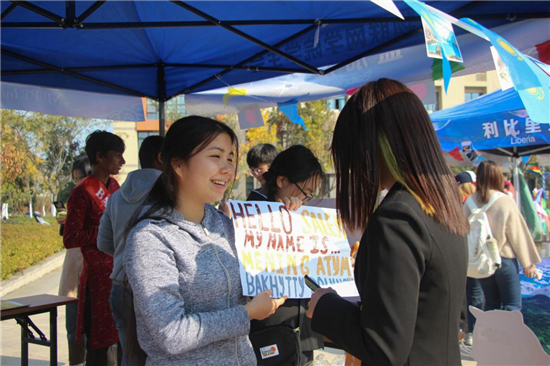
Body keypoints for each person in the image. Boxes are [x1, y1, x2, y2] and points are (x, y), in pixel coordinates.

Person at [306, 78, 469, 365]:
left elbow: (384, 347)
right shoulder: (442, 205)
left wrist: (325, 306)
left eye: (350, 150)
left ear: (374, 144)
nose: (353, 165)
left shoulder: (397, 217)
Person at [123, 116, 287, 366]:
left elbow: (262, 276)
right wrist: (248, 313)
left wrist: (292, 222)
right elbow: (171, 333)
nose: (228, 169)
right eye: (215, 156)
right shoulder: (150, 238)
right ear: (178, 164)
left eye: (231, 158)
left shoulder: (225, 226)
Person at [248, 144, 325, 365]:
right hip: (270, 329)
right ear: (281, 181)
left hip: (302, 329)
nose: (306, 201)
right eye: (305, 193)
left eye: (311, 196)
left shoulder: (303, 215)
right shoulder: (249, 217)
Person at [97, 135, 164, 365]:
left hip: (120, 284)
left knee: (129, 355)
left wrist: (125, 256)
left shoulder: (116, 197)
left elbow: (103, 243)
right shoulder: (172, 194)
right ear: (162, 158)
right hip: (157, 287)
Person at [63, 130, 125, 366]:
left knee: (123, 341)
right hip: (97, 280)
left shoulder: (115, 187)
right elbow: (70, 237)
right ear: (99, 157)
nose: (122, 161)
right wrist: (102, 232)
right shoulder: (82, 192)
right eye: (117, 155)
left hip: (118, 273)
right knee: (98, 349)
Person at [467, 161, 541, 315]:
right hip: (504, 260)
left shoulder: (469, 202)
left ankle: (490, 338)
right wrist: (527, 263)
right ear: (498, 177)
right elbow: (518, 233)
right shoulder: (504, 200)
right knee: (512, 306)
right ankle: (510, 339)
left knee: (491, 305)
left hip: (482, 261)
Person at [57, 157, 91, 366]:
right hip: (74, 272)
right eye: (75, 179)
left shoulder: (105, 199)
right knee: (73, 328)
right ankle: (76, 362)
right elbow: (67, 239)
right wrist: (66, 221)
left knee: (96, 330)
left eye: (82, 178)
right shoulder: (75, 199)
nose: (78, 183)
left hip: (96, 271)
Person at [456, 170, 482, 347]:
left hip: (462, 254)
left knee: (467, 294)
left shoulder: (457, 203)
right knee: (477, 295)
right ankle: (474, 330)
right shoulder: (479, 201)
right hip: (480, 254)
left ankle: (467, 330)